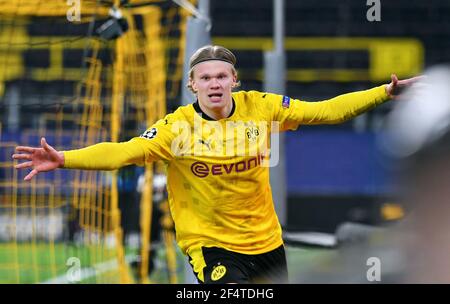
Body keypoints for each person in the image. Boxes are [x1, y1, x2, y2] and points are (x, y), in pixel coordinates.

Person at [12, 45, 421, 284]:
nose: (214, 84)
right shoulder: (177, 127)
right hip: (210, 245)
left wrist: (383, 93)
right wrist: (64, 158)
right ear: (192, 84)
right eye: (205, 77)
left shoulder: (260, 107)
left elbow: (326, 112)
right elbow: (125, 152)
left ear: (234, 81)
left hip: (266, 243)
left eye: (221, 76)